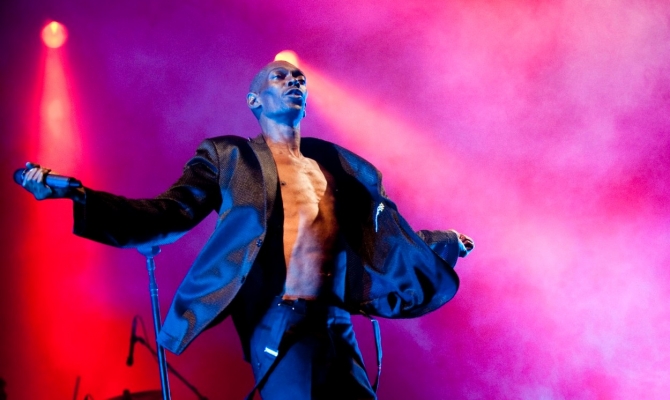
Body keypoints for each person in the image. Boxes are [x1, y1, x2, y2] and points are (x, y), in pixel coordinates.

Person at [21, 60, 474, 400]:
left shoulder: (336, 165)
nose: (294, 82)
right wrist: (80, 196)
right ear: (254, 100)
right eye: (280, 77)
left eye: (300, 78)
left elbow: (379, 241)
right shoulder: (229, 156)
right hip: (279, 318)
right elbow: (168, 213)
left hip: (336, 318)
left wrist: (442, 242)